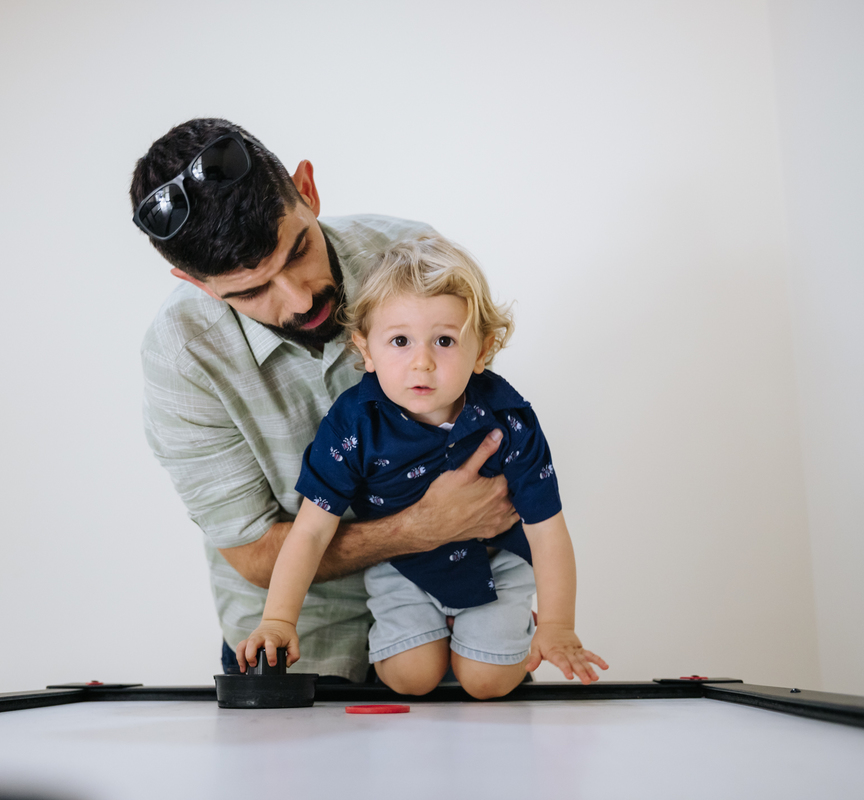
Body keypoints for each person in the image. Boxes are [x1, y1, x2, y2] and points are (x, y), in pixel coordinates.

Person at [132, 119, 519, 682]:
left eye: (297, 253)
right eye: (252, 291)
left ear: (308, 191)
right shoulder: (180, 357)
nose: (299, 299)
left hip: (459, 614)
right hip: (301, 644)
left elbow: (478, 448)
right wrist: (420, 527)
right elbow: (253, 552)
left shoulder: (414, 259)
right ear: (196, 282)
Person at [235, 236, 608, 699]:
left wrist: (557, 625)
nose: (422, 362)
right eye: (400, 341)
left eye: (445, 340)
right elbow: (310, 532)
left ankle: (506, 628)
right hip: (404, 569)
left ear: (482, 350)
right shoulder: (354, 425)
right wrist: (278, 619)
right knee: (411, 677)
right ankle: (434, 636)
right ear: (366, 350)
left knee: (486, 683)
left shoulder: (510, 420)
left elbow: (547, 531)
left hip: (496, 564)